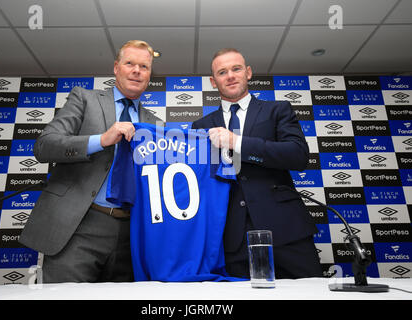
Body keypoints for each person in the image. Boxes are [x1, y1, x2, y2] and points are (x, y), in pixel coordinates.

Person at [19, 40, 162, 283]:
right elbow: (44, 145)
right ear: (116, 68)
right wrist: (101, 140)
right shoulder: (84, 99)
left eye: (144, 66)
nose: (137, 71)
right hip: (79, 226)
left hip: (132, 233)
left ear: (149, 75)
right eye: (130, 63)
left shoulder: (156, 124)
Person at [191, 48, 322, 279]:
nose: (230, 76)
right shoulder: (201, 126)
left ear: (248, 73)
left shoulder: (277, 110)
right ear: (213, 81)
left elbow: (298, 155)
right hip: (230, 237)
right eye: (222, 72)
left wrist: (236, 141)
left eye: (236, 69)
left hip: (286, 230)